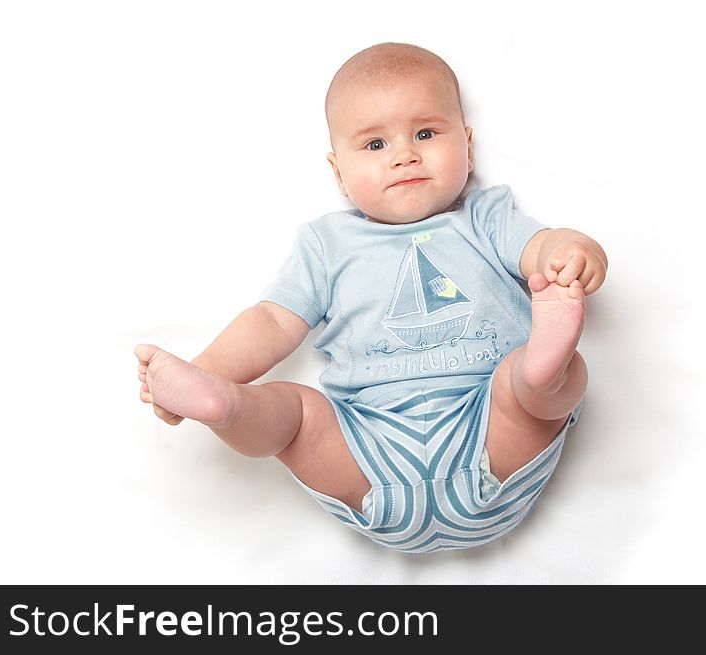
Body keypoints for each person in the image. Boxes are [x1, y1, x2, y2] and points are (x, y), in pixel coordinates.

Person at [135, 42, 607, 553]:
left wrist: (572, 252)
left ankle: (542, 372)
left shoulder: (484, 219)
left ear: (467, 149)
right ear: (338, 173)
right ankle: (223, 403)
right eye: (375, 145)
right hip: (364, 449)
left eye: (426, 134)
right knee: (296, 415)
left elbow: (540, 248)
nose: (405, 154)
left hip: (490, 427)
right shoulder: (327, 245)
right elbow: (272, 321)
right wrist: (212, 365)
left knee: (537, 384)